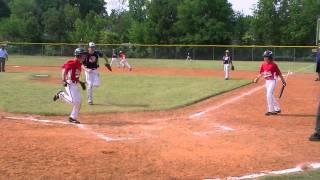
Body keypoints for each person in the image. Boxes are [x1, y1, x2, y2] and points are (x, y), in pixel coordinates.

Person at [52, 47, 87, 124]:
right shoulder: (73, 62)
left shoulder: (79, 64)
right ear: (78, 55)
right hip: (69, 83)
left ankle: (72, 117)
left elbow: (75, 76)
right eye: (83, 55)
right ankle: (61, 94)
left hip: (74, 84)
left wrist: (81, 83)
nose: (84, 57)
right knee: (75, 102)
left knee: (79, 102)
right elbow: (64, 69)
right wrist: (63, 79)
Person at [253, 50, 286, 116]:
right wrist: (257, 78)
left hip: (273, 81)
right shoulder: (263, 64)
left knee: (268, 95)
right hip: (267, 81)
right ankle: (277, 108)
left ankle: (271, 110)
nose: (264, 58)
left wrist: (283, 81)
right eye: (264, 56)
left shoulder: (274, 65)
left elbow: (279, 73)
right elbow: (262, 72)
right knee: (271, 95)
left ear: (270, 57)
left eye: (266, 56)